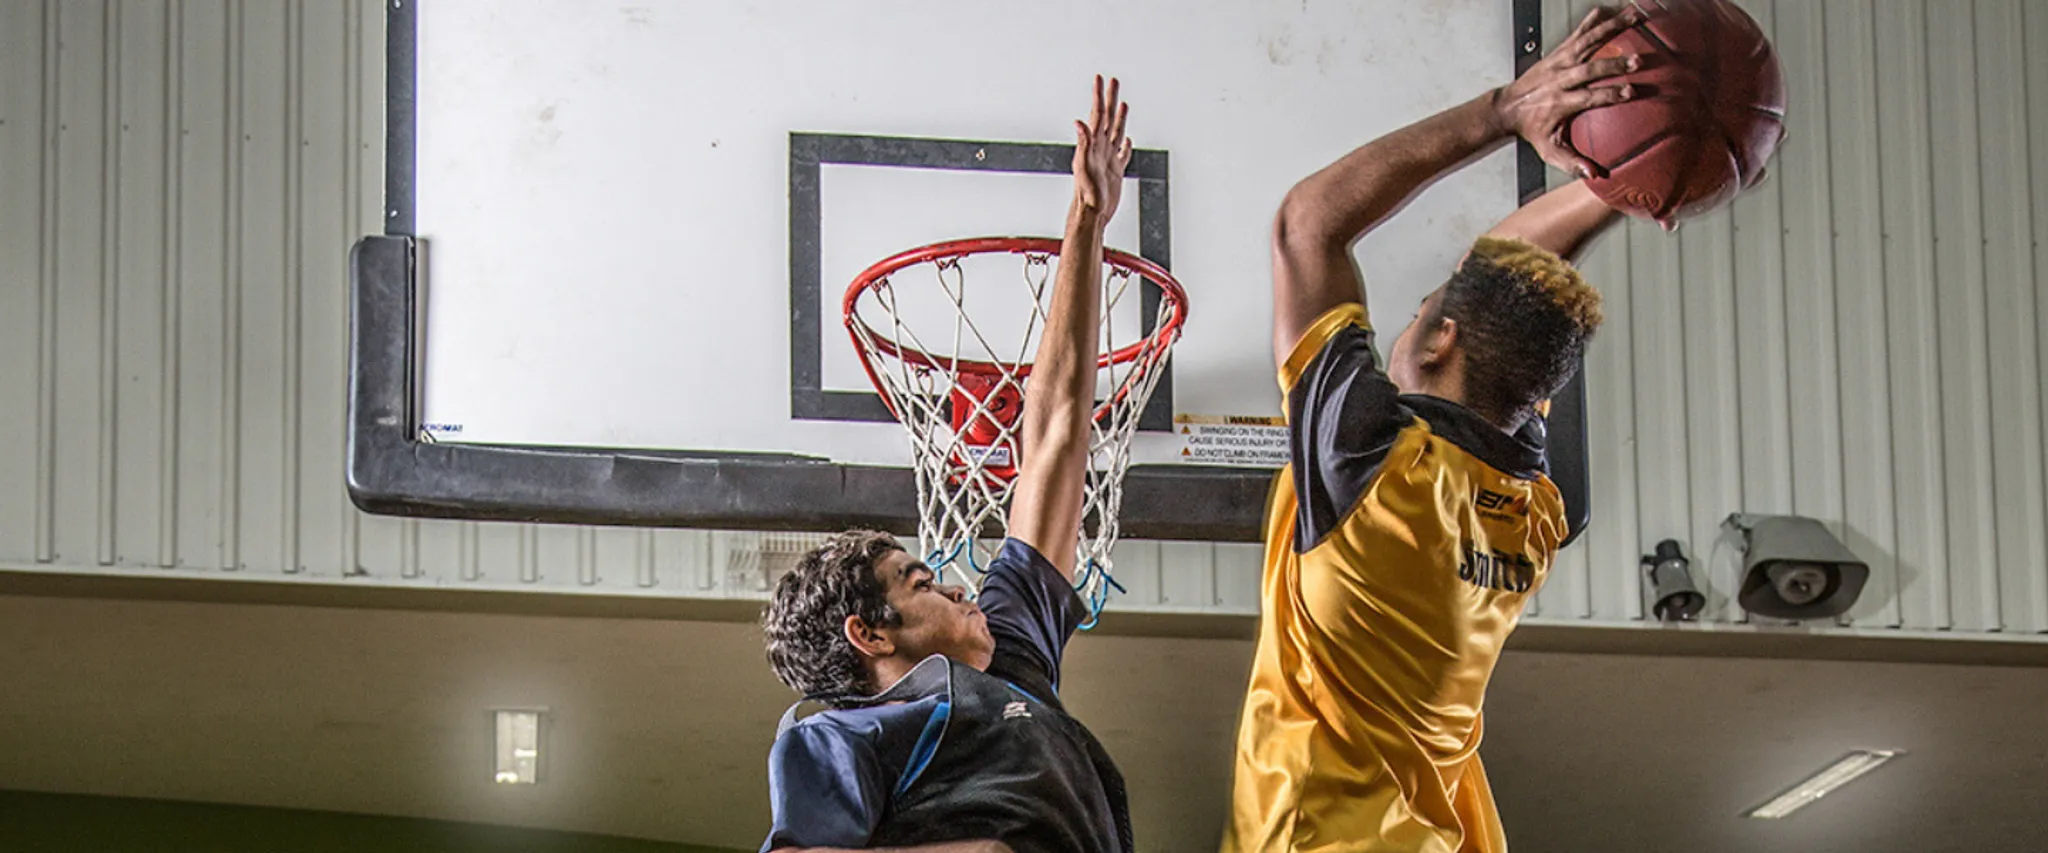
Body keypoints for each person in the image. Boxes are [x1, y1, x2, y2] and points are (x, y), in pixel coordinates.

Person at [1223, 7, 1648, 852]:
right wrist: (1630, 177)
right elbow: (1506, 288)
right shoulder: (1528, 506)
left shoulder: (1377, 463)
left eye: (1423, 309)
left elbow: (1309, 222)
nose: (1410, 318)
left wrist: (1507, 111)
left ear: (1446, 337)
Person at [757, 76, 1137, 853]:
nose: (959, 583)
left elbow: (1058, 431)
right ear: (868, 633)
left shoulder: (1013, 656)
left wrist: (1088, 221)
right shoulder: (839, 734)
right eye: (921, 583)